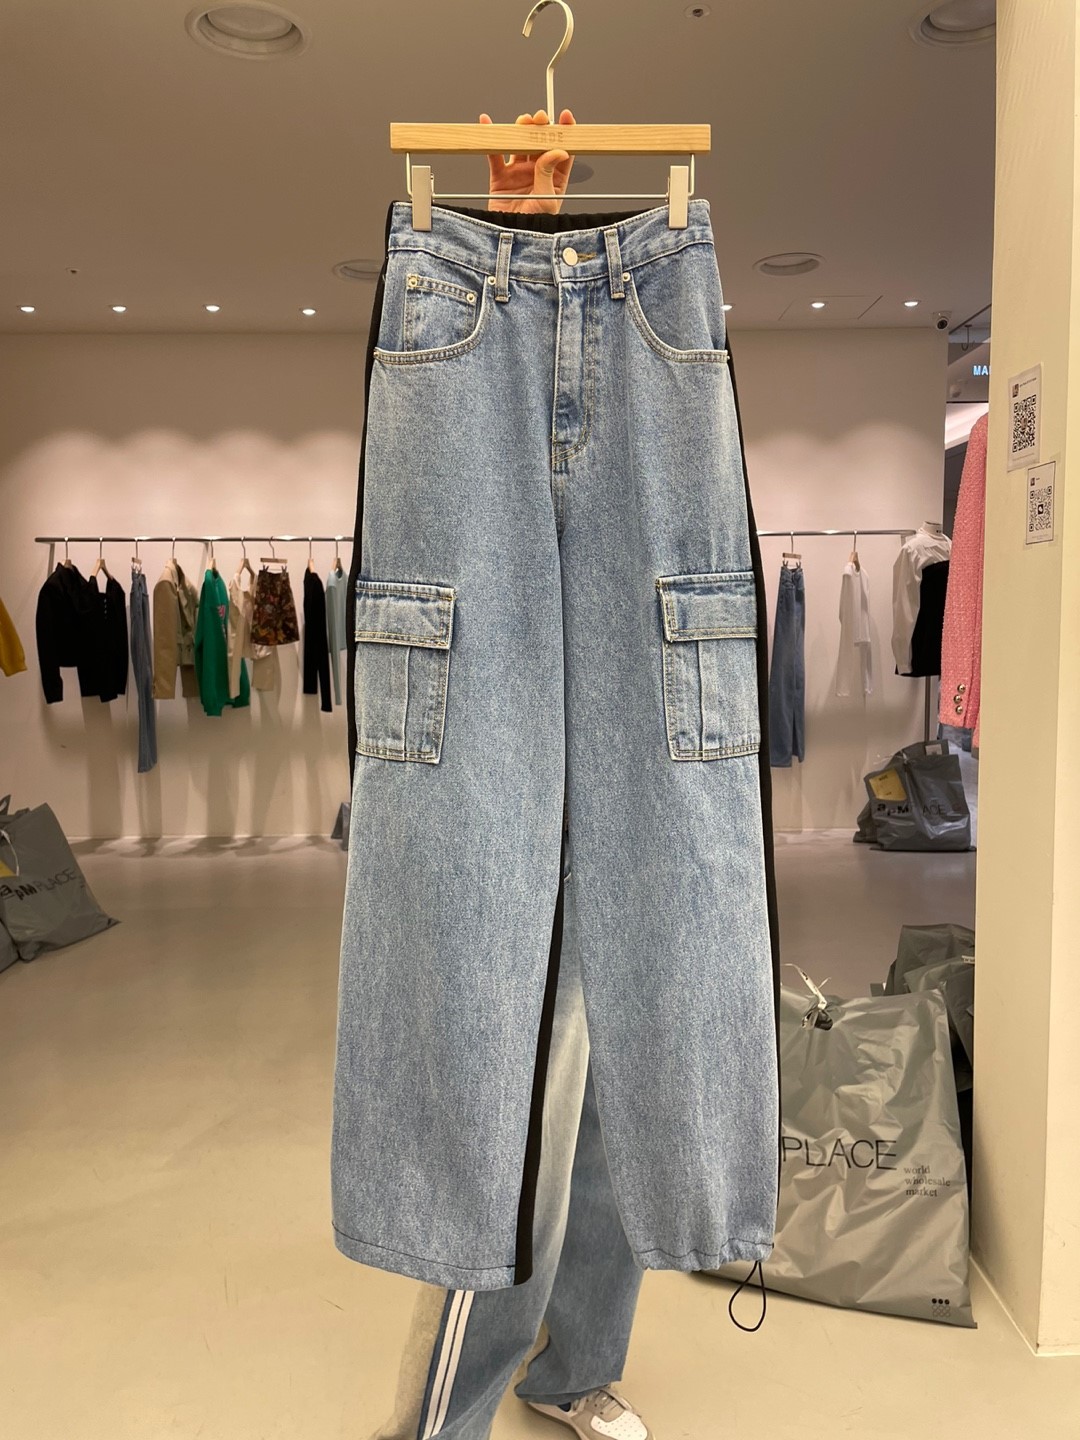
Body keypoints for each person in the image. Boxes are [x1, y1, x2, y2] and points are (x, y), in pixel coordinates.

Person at [368, 110, 656, 1440]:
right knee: (525, 1082)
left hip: (634, 714)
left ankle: (577, 1364)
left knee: (627, 1074)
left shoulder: (653, 333)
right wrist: (508, 232)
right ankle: (454, 1409)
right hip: (468, 341)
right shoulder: (464, 334)